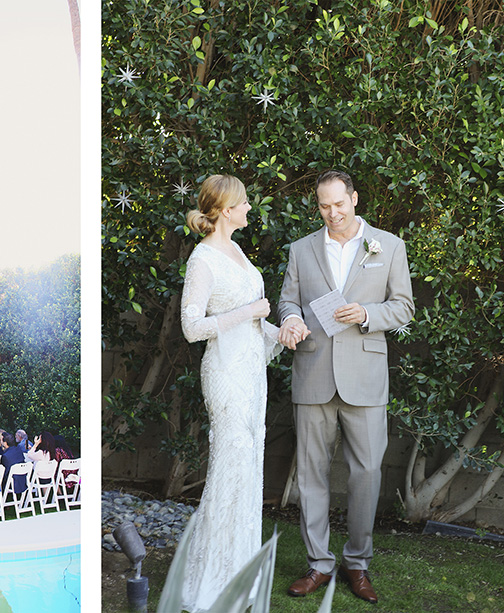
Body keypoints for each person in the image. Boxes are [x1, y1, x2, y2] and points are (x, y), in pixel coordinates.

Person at [277, 170, 414, 605]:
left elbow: (404, 307)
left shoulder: (388, 246)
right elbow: (287, 300)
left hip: (365, 378)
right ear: (317, 205)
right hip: (313, 372)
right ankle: (319, 564)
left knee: (367, 474)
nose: (332, 213)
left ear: (354, 198)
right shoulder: (301, 250)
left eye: (339, 203)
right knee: (311, 475)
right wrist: (291, 320)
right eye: (324, 206)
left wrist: (368, 313)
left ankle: (358, 563)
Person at [159, 174, 282, 613]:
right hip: (226, 376)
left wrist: (281, 332)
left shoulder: (238, 252)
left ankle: (238, 577)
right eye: (244, 203)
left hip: (252, 375)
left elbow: (251, 325)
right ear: (226, 210)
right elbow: (193, 327)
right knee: (229, 469)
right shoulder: (203, 260)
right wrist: (248, 310)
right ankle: (208, 583)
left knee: (248, 471)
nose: (250, 208)